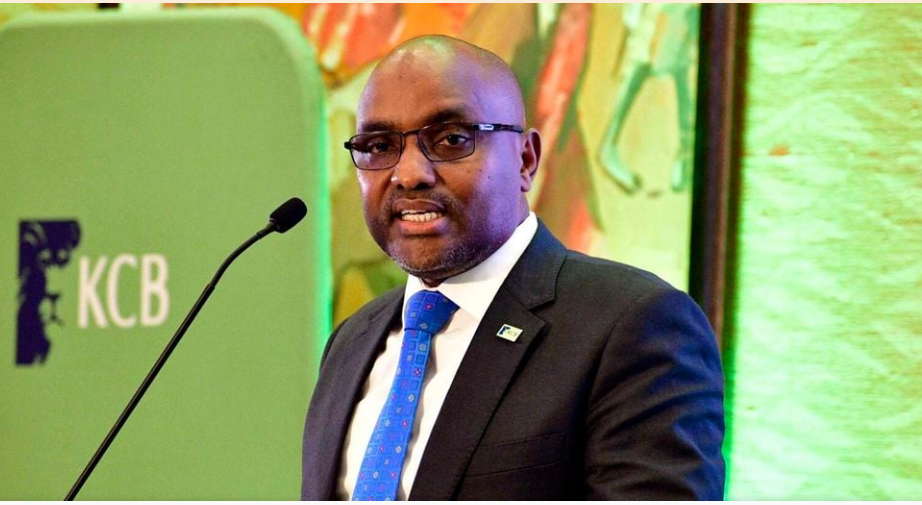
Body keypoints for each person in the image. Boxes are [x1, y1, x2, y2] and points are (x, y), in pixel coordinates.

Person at [301, 35, 725, 500]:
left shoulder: (633, 325)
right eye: (379, 146)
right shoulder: (352, 340)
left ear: (526, 160)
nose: (409, 174)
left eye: (451, 140)